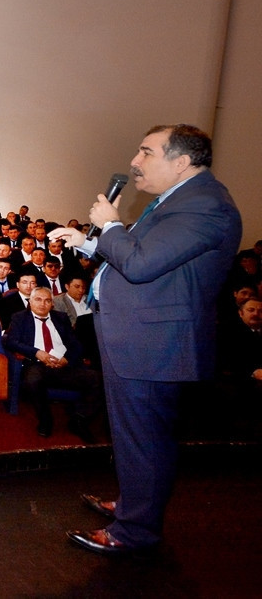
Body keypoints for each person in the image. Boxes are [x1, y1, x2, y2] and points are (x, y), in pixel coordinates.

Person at [50, 124, 241, 555]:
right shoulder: (177, 200)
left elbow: (140, 264)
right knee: (135, 435)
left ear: (182, 162)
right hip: (139, 338)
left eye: (146, 152)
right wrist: (89, 242)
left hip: (155, 343)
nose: (135, 162)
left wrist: (111, 224)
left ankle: (135, 530)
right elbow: (139, 253)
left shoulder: (206, 206)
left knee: (145, 440)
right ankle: (135, 505)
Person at [2, 287, 101, 442]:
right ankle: (45, 419)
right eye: (38, 299)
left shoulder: (61, 318)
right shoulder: (20, 318)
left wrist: (67, 359)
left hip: (63, 365)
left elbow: (76, 345)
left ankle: (79, 419)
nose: (43, 304)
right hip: (37, 365)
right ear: (30, 302)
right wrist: (37, 353)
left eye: (47, 300)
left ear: (52, 304)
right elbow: (11, 341)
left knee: (97, 378)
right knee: (33, 379)